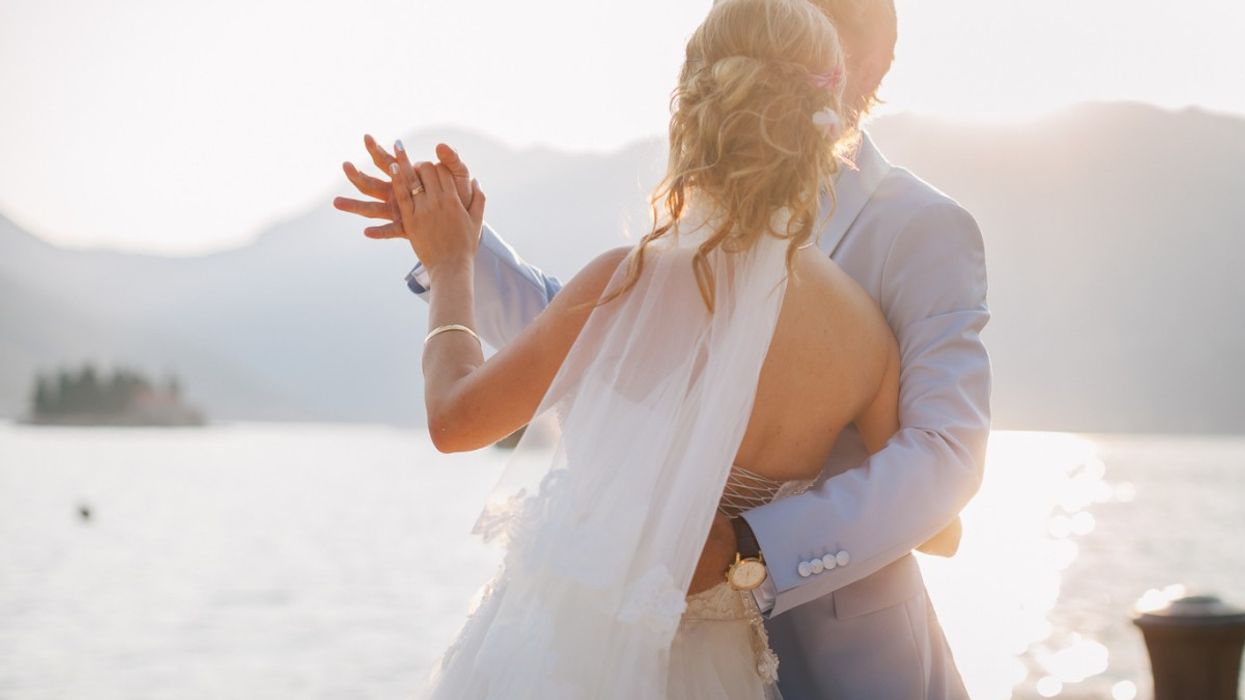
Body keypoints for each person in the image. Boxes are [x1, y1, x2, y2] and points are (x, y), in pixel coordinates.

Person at [335, 0, 989, 695]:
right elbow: (600, 342)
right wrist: (458, 242)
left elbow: (944, 458)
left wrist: (751, 546)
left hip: (840, 662)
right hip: (717, 663)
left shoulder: (923, 227)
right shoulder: (860, 336)